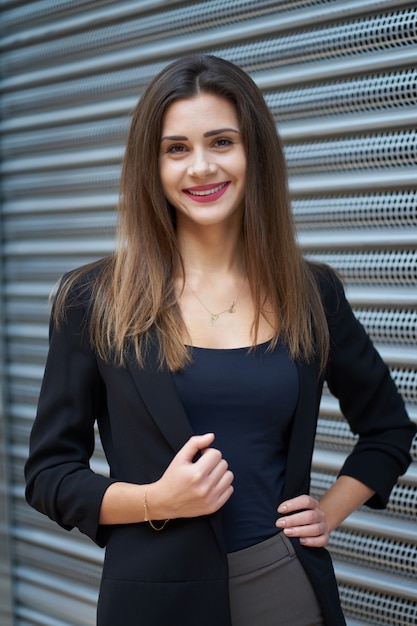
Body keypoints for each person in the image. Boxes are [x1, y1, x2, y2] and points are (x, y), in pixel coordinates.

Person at [25, 55, 415, 626]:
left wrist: (329, 512)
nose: (201, 167)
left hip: (284, 590)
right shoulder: (94, 300)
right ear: (150, 166)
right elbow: (50, 474)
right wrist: (159, 500)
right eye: (176, 148)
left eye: (221, 141)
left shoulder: (311, 293)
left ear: (253, 151)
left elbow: (388, 429)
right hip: (154, 604)